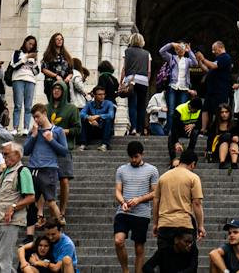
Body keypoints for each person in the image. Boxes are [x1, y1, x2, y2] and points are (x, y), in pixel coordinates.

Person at [112, 139, 160, 273]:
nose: (133, 159)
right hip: (124, 212)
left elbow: (156, 192)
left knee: (139, 247)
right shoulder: (121, 169)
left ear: (142, 154)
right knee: (118, 241)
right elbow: (117, 190)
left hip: (142, 213)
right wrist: (123, 202)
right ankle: (125, 270)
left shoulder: (152, 170)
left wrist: (139, 199)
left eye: (136, 157)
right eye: (131, 157)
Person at [0, 140, 38, 273]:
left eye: (6, 154)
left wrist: (14, 206)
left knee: (4, 259)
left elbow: (31, 197)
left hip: (11, 220)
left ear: (17, 154)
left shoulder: (23, 171)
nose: (4, 158)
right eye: (3, 154)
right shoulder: (5, 171)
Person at [154, 150, 206, 267]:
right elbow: (197, 203)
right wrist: (200, 226)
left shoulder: (163, 177)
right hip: (184, 225)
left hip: (164, 224)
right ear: (193, 164)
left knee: (165, 263)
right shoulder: (193, 177)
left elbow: (156, 201)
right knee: (185, 263)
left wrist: (155, 223)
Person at [25, 104, 73, 218]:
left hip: (49, 169)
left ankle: (59, 226)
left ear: (45, 114)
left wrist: (51, 140)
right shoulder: (33, 131)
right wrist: (34, 136)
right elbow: (25, 151)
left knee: (51, 201)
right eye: (34, 118)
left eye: (38, 116)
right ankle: (31, 232)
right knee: (30, 202)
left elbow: (64, 151)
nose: (36, 120)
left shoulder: (58, 131)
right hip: (33, 168)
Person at [122, 33, 153, 136]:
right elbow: (149, 70)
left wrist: (121, 82)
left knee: (132, 105)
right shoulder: (147, 53)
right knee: (141, 106)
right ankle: (140, 130)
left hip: (130, 80)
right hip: (143, 81)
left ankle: (133, 128)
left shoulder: (127, 52)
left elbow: (124, 68)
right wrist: (147, 81)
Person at [11, 36, 43, 126]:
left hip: (30, 80)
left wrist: (33, 63)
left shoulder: (34, 57)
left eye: (33, 45)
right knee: (18, 105)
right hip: (18, 79)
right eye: (30, 43)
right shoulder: (17, 53)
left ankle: (26, 127)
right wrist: (26, 57)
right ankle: (15, 127)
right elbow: (14, 65)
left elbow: (36, 72)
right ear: (25, 42)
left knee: (28, 106)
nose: (31, 46)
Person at [84, 86, 118, 151]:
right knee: (83, 120)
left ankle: (104, 144)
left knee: (108, 119)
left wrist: (98, 116)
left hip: (104, 130)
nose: (102, 96)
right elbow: (81, 113)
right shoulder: (89, 104)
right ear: (94, 95)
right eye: (99, 94)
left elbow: (111, 115)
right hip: (93, 129)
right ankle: (83, 144)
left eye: (103, 94)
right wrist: (89, 119)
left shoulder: (109, 103)